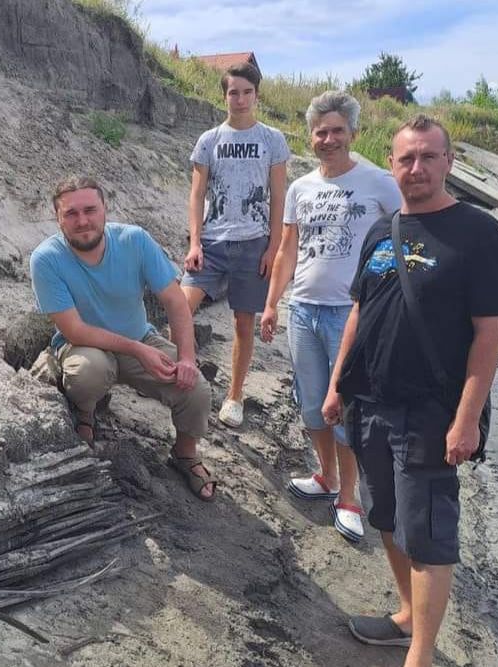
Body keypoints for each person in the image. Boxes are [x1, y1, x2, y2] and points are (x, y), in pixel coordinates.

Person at [321, 115, 498, 666]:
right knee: (385, 517)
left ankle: (422, 655)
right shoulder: (380, 231)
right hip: (368, 404)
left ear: (448, 162)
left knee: (428, 534)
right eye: (406, 158)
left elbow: (490, 333)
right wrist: (337, 387)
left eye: (429, 156)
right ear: (391, 164)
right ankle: (407, 616)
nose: (417, 168)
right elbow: (358, 314)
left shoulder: (479, 233)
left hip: (430, 413)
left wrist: (466, 420)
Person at [260, 91, 401, 542]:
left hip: (351, 314)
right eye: (321, 132)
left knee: (345, 408)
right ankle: (326, 476)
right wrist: (272, 303)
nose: (329, 139)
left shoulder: (379, 182)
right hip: (302, 309)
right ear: (311, 137)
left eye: (337, 130)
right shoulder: (300, 189)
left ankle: (350, 498)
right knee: (311, 404)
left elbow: (407, 235)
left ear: (353, 133)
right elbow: (287, 250)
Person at [30, 176, 216, 501]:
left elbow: (175, 301)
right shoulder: (46, 259)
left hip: (139, 336)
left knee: (196, 388)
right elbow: (74, 330)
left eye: (90, 210)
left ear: (105, 209)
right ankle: (85, 413)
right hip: (82, 345)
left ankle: (185, 454)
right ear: (57, 218)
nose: (82, 221)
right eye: (71, 213)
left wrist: (187, 359)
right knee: (88, 372)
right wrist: (137, 350)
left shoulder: (134, 241)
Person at [182, 61, 290, 428]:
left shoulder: (272, 140)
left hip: (253, 243)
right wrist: (195, 243)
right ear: (224, 96)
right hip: (211, 243)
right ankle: (184, 375)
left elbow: (279, 197)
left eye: (247, 92)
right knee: (180, 308)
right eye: (233, 92)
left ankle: (234, 396)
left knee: (244, 324)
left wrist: (273, 248)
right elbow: (197, 195)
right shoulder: (209, 140)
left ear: (256, 95)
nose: (240, 99)